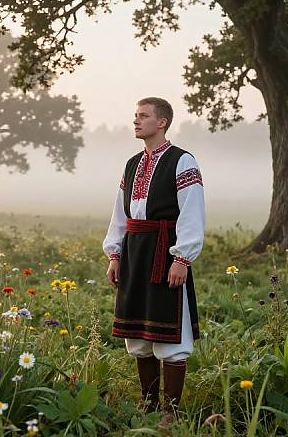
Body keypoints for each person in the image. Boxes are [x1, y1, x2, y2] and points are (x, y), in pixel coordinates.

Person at [102, 97, 205, 428]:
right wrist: (115, 254)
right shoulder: (132, 163)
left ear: (161, 122)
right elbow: (120, 213)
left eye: (143, 116)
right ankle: (149, 405)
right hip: (134, 251)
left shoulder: (182, 161)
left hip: (165, 250)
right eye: (135, 115)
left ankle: (170, 413)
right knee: (139, 336)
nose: (136, 121)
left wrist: (182, 258)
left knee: (169, 334)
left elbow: (192, 211)